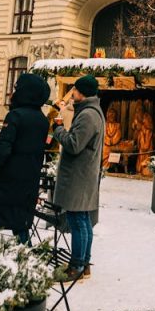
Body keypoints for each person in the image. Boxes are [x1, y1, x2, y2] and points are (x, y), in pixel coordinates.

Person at [0, 73, 50, 246]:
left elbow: (3, 149)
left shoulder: (15, 116)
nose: (13, 92)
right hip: (27, 182)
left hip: (5, 181)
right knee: (20, 225)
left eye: (17, 89)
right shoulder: (43, 120)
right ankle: (27, 259)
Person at [52, 74, 104, 282]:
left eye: (74, 90)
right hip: (83, 174)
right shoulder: (91, 112)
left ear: (80, 92)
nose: (72, 93)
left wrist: (58, 130)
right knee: (83, 220)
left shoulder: (87, 115)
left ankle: (77, 266)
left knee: (78, 219)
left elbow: (74, 144)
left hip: (79, 176)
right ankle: (84, 263)